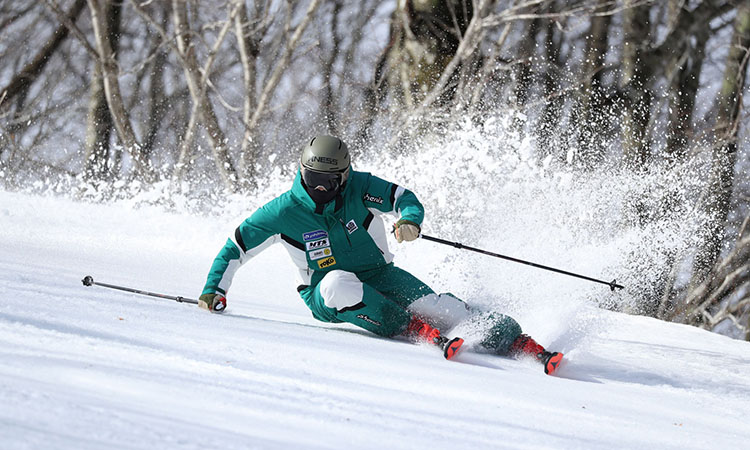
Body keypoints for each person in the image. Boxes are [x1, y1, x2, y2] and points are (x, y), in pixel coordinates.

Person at [199, 135, 563, 374]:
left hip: (381, 274)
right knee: (339, 284)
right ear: (301, 172)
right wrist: (215, 288)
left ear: (344, 175)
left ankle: (512, 337)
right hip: (324, 293)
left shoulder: (361, 187)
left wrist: (409, 221)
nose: (320, 188)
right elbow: (236, 248)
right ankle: (406, 326)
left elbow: (404, 198)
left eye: (329, 181)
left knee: (444, 310)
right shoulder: (282, 212)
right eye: (312, 179)